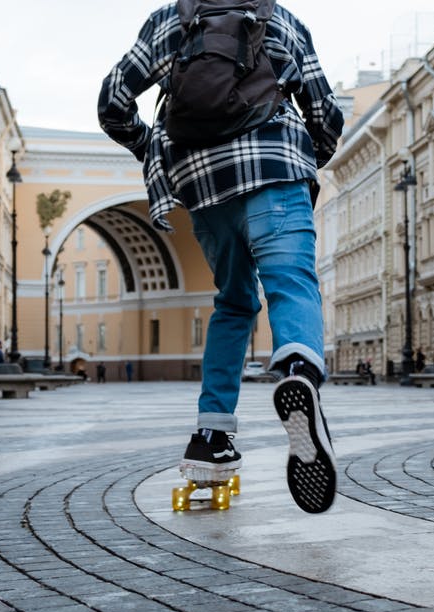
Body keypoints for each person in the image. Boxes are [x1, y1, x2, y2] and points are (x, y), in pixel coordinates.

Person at [99, 0, 344, 513]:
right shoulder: (281, 19)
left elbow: (113, 103)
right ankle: (298, 371)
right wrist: (305, 155)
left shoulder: (170, 19)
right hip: (275, 169)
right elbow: (323, 113)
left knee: (233, 303)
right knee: (291, 283)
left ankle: (211, 438)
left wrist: (153, 148)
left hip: (203, 186)